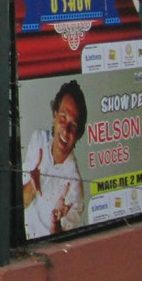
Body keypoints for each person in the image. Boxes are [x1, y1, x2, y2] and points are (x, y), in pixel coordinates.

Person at [22, 79, 87, 239]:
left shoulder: (75, 185)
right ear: (54, 115)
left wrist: (55, 222)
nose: (65, 130)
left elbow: (61, 244)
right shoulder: (38, 140)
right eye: (63, 118)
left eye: (72, 126)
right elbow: (20, 203)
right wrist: (32, 184)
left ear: (78, 135)